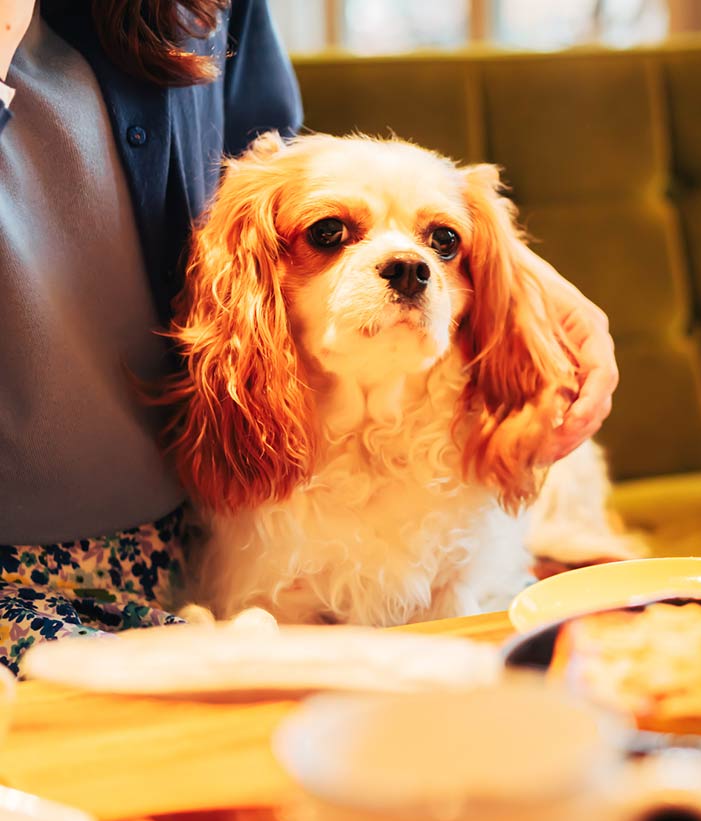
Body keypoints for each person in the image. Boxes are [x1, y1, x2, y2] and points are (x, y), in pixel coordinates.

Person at [0, 0, 618, 675]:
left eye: (441, 244)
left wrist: (515, 276)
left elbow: (266, 149)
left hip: (170, 543)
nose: (411, 264)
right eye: (331, 235)